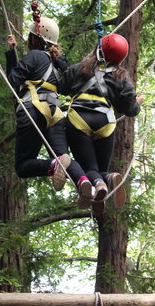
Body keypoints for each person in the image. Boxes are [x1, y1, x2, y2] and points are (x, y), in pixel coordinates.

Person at [58, 33, 143, 216]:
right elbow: (130, 109)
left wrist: (62, 66)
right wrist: (137, 103)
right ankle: (107, 180)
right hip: (106, 121)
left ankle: (99, 184)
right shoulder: (121, 77)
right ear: (121, 58)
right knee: (99, 170)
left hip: (79, 119)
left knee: (88, 169)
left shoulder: (80, 69)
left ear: (98, 50)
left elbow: (61, 86)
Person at [6, 16, 89, 199]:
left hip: (33, 109)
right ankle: (84, 181)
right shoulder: (56, 62)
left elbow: (12, 81)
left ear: (33, 38)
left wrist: (11, 56)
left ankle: (52, 166)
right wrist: (13, 53)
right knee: (63, 157)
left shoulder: (35, 56)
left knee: (23, 166)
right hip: (55, 113)